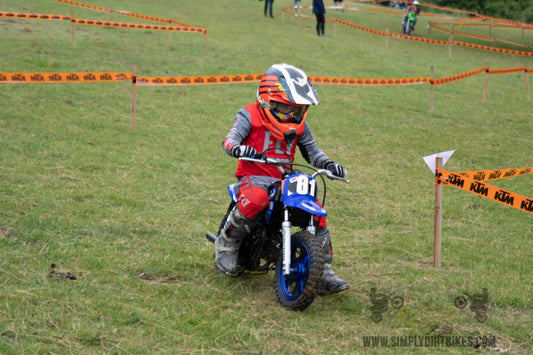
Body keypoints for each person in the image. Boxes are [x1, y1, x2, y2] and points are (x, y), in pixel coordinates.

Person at [216, 63, 350, 295]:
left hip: (284, 179)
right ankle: (228, 243)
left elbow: (313, 152)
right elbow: (230, 140)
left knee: (316, 210)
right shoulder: (249, 114)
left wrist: (330, 165)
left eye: (297, 110)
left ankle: (323, 268)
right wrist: (238, 149)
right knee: (256, 198)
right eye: (287, 109)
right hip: (254, 177)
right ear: (268, 101)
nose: (292, 116)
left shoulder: (300, 126)